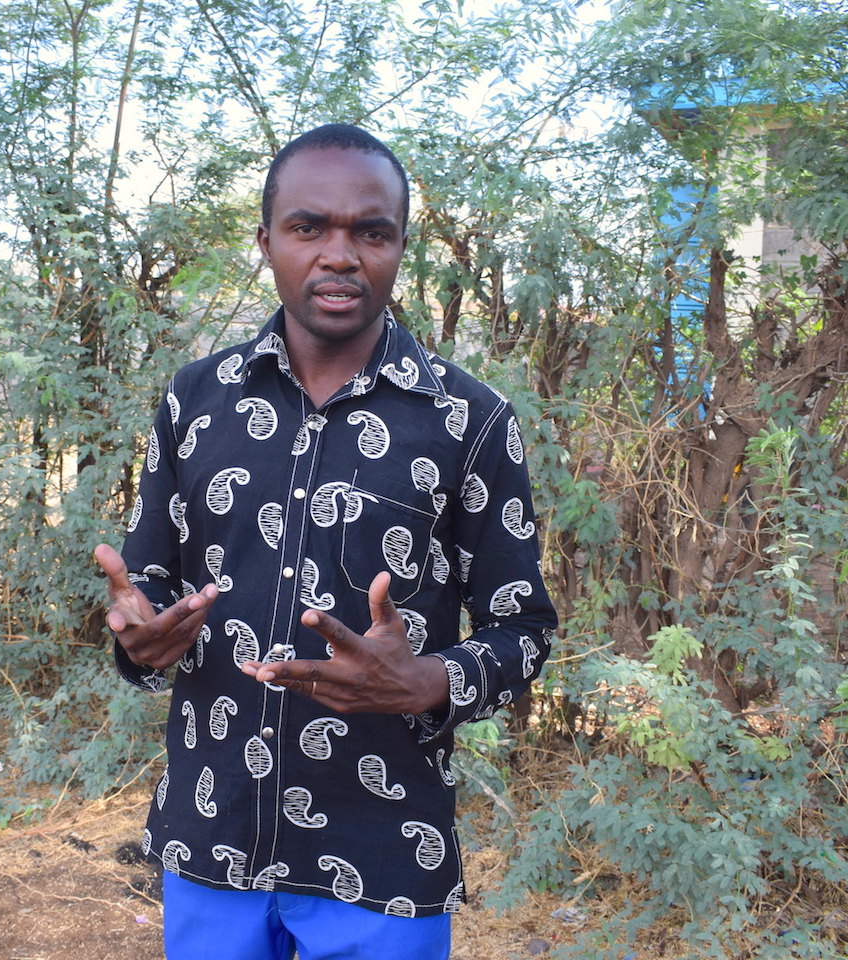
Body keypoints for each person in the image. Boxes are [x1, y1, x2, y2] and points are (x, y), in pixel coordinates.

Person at [94, 123, 557, 960]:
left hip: (383, 855)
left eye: (369, 232)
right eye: (310, 227)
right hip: (211, 831)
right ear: (266, 239)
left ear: (400, 247)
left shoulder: (469, 420)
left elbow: (525, 626)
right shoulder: (195, 400)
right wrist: (142, 633)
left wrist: (429, 681)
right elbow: (149, 581)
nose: (339, 254)